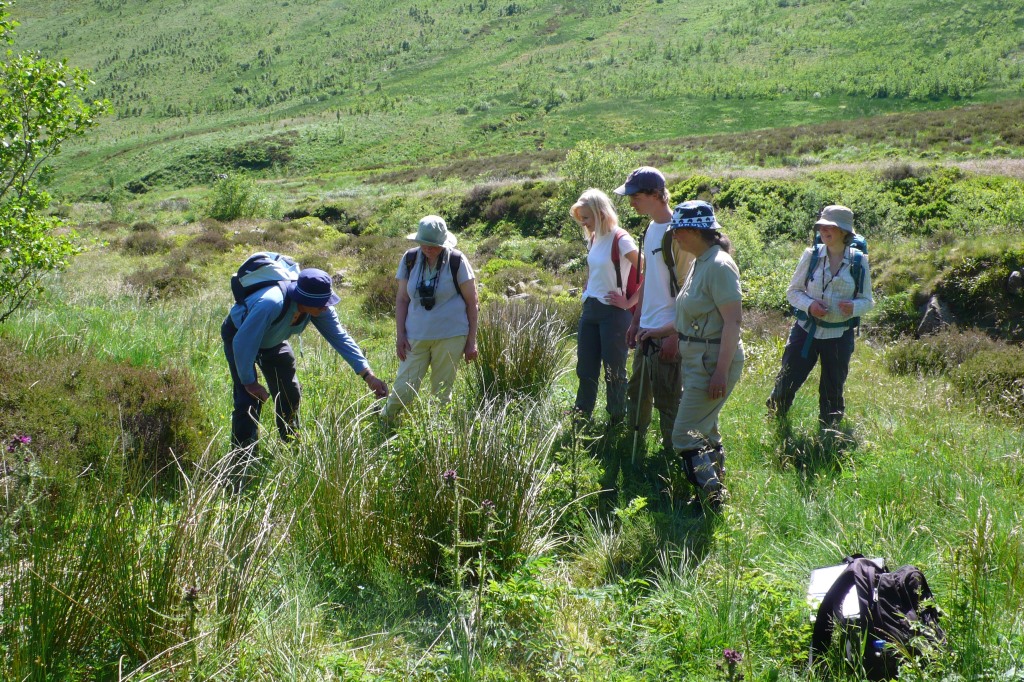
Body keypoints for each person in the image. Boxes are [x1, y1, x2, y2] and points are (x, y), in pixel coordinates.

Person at [637, 200, 743, 510]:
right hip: (698, 357)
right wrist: (659, 332)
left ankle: (711, 499)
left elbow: (732, 322)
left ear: (696, 231)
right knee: (705, 429)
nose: (675, 238)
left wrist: (720, 371)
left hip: (712, 360)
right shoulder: (700, 261)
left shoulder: (720, 266)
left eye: (678, 231)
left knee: (683, 435)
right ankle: (717, 484)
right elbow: (689, 315)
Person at [222, 267, 388, 457]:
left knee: (289, 391)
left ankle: (291, 446)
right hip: (240, 335)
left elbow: (340, 338)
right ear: (304, 300)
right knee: (247, 399)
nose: (325, 306)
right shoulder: (271, 303)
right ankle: (243, 457)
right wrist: (250, 382)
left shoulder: (319, 307)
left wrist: (368, 376)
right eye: (320, 304)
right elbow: (243, 342)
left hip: (273, 340)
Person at [767, 205, 874, 427]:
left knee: (833, 388)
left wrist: (854, 307)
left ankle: (829, 433)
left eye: (830, 227)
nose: (824, 231)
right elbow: (793, 292)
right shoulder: (811, 255)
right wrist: (810, 306)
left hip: (839, 336)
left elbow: (868, 301)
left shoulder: (859, 261)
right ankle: (775, 422)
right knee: (787, 379)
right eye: (822, 226)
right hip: (806, 331)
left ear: (844, 232)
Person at [614, 167, 694, 460]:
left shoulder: (679, 234)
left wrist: (675, 333)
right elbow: (648, 278)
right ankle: (637, 450)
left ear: (656, 195)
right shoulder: (649, 229)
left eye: (636, 196)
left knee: (669, 401)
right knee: (638, 396)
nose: (631, 202)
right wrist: (636, 321)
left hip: (668, 331)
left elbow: (689, 288)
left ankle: (673, 461)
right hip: (647, 328)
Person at [383, 215, 479, 422]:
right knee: (403, 389)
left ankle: (438, 436)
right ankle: (385, 421)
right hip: (415, 337)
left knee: (442, 393)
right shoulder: (409, 259)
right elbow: (401, 299)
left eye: (434, 245)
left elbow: (473, 302)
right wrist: (400, 335)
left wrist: (471, 342)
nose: (428, 248)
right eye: (424, 243)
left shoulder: (456, 261)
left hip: (451, 336)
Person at [570, 188, 640, 425]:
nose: (584, 223)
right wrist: (588, 288)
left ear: (601, 213)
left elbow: (649, 270)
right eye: (581, 218)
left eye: (586, 217)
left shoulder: (621, 239)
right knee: (585, 367)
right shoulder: (594, 238)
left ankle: (617, 419)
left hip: (614, 313)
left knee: (615, 372)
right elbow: (596, 269)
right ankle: (581, 414)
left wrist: (630, 302)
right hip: (590, 309)